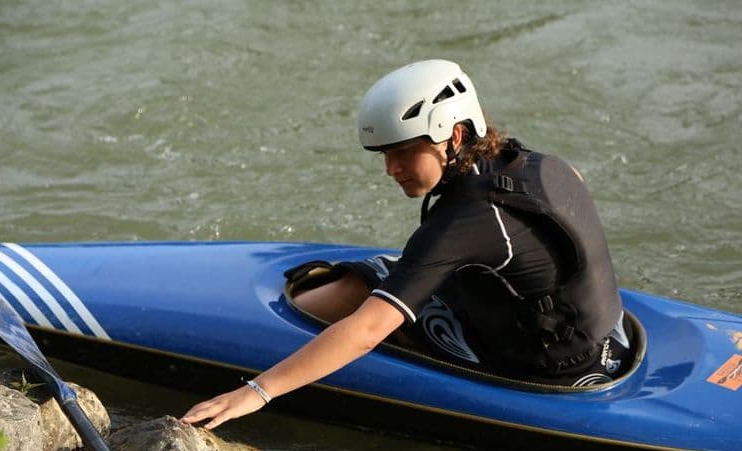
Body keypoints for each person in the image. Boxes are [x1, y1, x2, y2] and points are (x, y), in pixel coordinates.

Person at [181, 59, 632, 429]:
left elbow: (366, 332)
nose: (391, 169)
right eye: (385, 155)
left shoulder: (463, 223)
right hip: (606, 337)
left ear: (453, 135)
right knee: (375, 278)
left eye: (403, 151)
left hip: (546, 370)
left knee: (326, 304)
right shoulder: (531, 163)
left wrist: (256, 392)